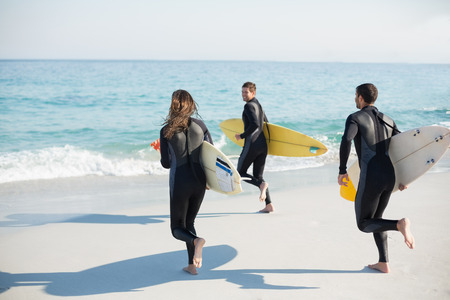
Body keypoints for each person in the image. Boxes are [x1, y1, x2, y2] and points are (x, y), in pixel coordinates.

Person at [338, 83, 415, 273]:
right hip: (389, 176)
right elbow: (402, 149)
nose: (355, 99)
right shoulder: (388, 120)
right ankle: (384, 262)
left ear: (360, 97)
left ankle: (399, 224)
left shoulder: (355, 118)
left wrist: (342, 170)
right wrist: (405, 178)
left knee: (364, 223)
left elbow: (346, 140)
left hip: (371, 176)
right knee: (376, 219)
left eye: (355, 95)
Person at [160, 89, 212, 275]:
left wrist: (162, 149)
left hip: (180, 182)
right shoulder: (201, 126)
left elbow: (166, 164)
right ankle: (192, 266)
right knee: (190, 223)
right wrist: (211, 181)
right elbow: (211, 156)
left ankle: (197, 242)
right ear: (191, 105)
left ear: (173, 105)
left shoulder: (166, 130)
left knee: (177, 228)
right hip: (199, 181)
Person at [235, 82, 274, 213]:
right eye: (242, 92)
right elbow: (266, 124)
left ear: (253, 93)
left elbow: (255, 124)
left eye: (246, 92)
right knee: (258, 176)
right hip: (263, 146)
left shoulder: (248, 107)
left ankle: (261, 185)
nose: (243, 95)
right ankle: (269, 205)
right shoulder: (259, 106)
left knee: (240, 173)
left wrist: (242, 135)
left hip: (252, 145)